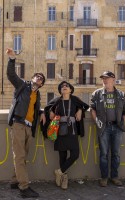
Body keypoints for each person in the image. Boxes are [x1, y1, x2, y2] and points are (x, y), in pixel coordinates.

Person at [6, 48, 46, 198]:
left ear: (41, 84)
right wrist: (12, 59)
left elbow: (34, 108)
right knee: (20, 155)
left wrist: (41, 113)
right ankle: (24, 187)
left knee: (21, 156)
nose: (38, 78)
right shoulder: (22, 85)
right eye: (37, 76)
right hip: (18, 124)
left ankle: (15, 181)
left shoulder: (37, 94)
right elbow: (11, 75)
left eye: (41, 78)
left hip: (29, 127)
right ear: (32, 78)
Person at [44, 81, 89, 190]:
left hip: (72, 130)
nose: (64, 87)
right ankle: (64, 180)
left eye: (67, 86)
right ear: (60, 90)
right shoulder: (56, 101)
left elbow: (85, 106)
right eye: (62, 86)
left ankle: (59, 172)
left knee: (75, 154)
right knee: (62, 156)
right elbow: (47, 109)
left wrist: (79, 110)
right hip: (60, 130)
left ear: (71, 90)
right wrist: (50, 111)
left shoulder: (75, 100)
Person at [90, 71, 125, 187]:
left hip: (117, 127)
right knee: (104, 154)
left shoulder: (121, 94)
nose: (104, 80)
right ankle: (104, 178)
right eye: (103, 79)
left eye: (107, 78)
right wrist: (97, 121)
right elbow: (92, 109)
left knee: (116, 154)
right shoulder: (97, 94)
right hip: (104, 127)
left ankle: (115, 177)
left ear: (113, 79)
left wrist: (124, 120)